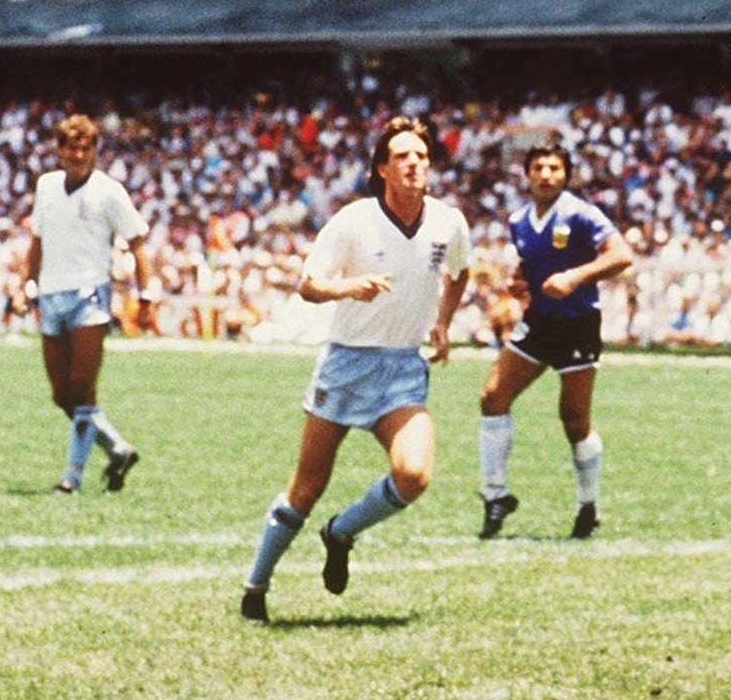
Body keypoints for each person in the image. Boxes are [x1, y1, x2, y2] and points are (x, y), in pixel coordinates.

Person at [241, 116, 472, 624]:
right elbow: (308, 284)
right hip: (347, 362)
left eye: (421, 156)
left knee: (413, 474)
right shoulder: (353, 221)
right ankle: (256, 586)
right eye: (403, 157)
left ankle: (341, 531)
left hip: (403, 368)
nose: (414, 164)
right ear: (382, 169)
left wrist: (442, 323)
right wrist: (349, 287)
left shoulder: (447, 222)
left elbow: (460, 271)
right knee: (306, 487)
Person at [477, 141, 636, 540]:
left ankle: (588, 505)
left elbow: (622, 256)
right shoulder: (519, 220)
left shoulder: (581, 215)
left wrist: (575, 277)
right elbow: (529, 265)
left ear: (566, 175)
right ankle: (496, 495)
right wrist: (519, 282)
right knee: (493, 397)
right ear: (527, 174)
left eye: (554, 168)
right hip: (540, 322)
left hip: (578, 324)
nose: (546, 174)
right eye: (539, 168)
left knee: (574, 420)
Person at [20, 113, 158, 496]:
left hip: (90, 296)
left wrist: (146, 294)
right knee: (61, 395)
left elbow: (138, 241)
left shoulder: (109, 191)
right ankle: (116, 448)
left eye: (86, 147)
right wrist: (25, 283)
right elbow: (37, 240)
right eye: (71, 147)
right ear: (59, 151)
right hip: (51, 294)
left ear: (95, 150)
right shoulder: (46, 187)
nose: (79, 154)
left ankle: (72, 478)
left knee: (83, 387)